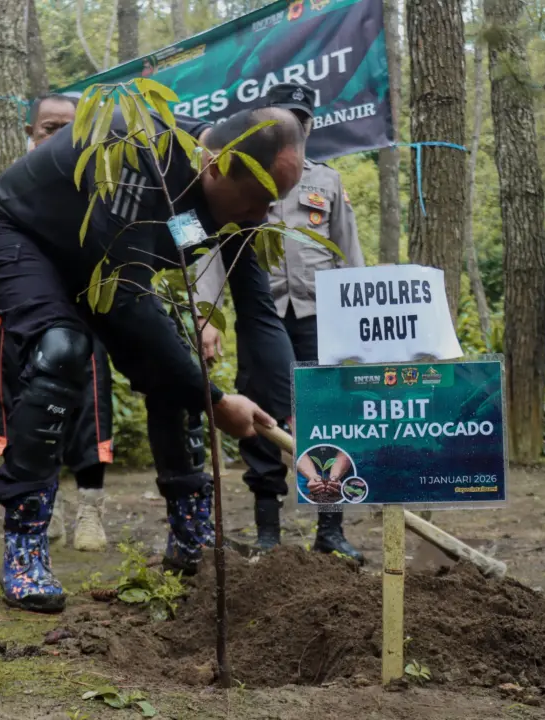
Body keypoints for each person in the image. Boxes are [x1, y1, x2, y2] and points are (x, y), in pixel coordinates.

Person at [0, 103, 304, 613]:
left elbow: (252, 307)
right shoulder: (137, 158)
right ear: (216, 166)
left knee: (173, 366)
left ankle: (191, 542)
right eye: (258, 199)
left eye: (272, 202)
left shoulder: (233, 202)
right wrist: (215, 401)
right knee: (63, 351)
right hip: (21, 235)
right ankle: (25, 545)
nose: (261, 215)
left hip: (102, 265)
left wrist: (276, 405)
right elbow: (127, 299)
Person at [195, 83, 367, 563]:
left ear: (309, 125)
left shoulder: (326, 180)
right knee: (261, 417)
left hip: (320, 317)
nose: (296, 124)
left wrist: (357, 320)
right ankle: (268, 532)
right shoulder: (242, 170)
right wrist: (206, 313)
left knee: (327, 416)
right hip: (262, 314)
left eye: (301, 117)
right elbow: (214, 249)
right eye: (285, 114)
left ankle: (330, 529)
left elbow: (348, 252)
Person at [0, 94, 113, 552]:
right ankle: (42, 506)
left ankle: (90, 509)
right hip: (23, 321)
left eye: (71, 128)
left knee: (90, 414)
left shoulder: (99, 182)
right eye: (51, 128)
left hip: (86, 318)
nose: (61, 136)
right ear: (31, 132)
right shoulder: (9, 184)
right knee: (26, 412)